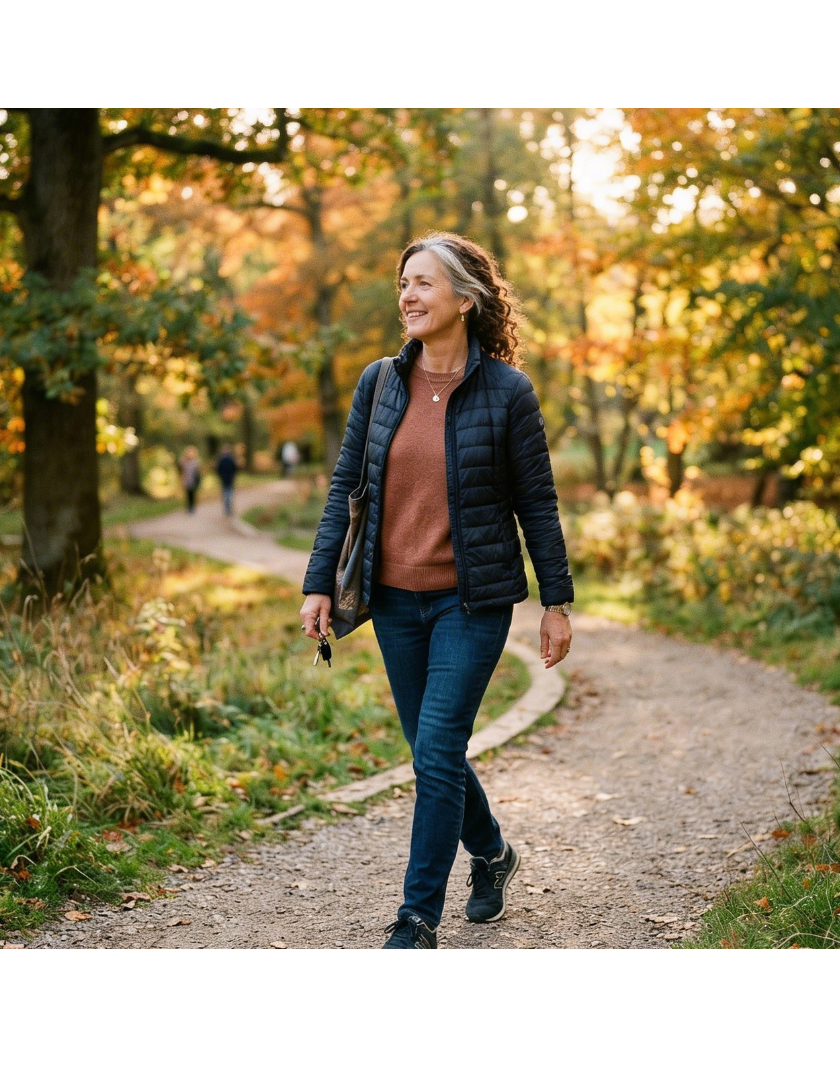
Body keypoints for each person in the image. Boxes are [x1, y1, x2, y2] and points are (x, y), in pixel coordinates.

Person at [301, 231, 573, 950]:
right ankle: (493, 854)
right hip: (393, 600)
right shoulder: (379, 383)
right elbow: (346, 487)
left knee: (437, 748)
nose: (408, 297)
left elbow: (537, 503)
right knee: (434, 752)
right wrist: (319, 584)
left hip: (471, 601)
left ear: (465, 298)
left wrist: (556, 602)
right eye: (404, 284)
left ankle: (416, 916)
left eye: (423, 283)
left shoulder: (508, 393)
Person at [215, 443, 239, 516]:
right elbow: (235, 468)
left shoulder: (222, 459)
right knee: (228, 494)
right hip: (228, 479)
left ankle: (227, 508)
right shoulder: (230, 458)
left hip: (227, 479)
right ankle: (228, 509)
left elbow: (218, 469)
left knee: (227, 494)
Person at [178, 445, 202, 513]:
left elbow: (198, 473)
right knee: (187, 494)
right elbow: (180, 470)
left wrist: (198, 481)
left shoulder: (196, 462)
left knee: (192, 494)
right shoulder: (183, 461)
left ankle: (192, 507)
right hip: (186, 480)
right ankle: (188, 507)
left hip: (193, 480)